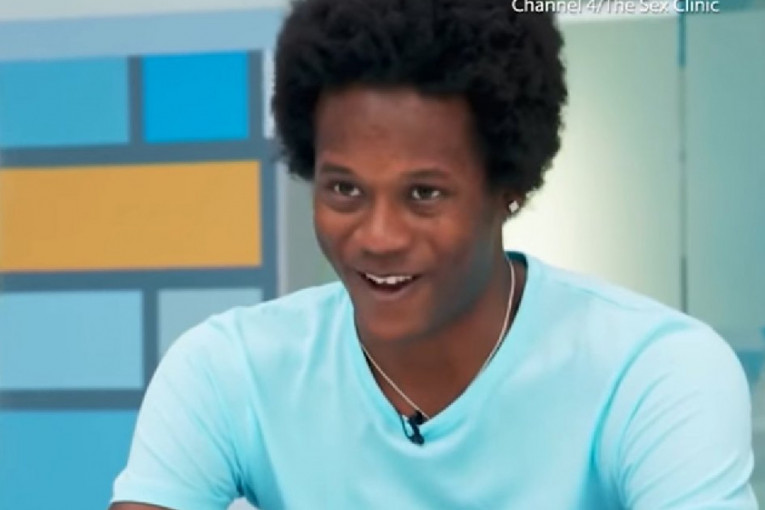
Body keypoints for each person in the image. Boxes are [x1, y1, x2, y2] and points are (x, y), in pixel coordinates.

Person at [110, 1, 757, 508]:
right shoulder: (227, 369)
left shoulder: (653, 372)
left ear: (508, 188)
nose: (377, 235)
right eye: (344, 190)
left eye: (423, 193)